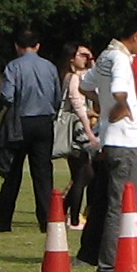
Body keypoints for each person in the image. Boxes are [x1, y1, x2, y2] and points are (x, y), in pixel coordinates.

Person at [79, 16, 137, 272]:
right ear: (136, 36)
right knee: (122, 205)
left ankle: (106, 259)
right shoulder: (121, 59)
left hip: (110, 140)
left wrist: (101, 104)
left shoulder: (104, 56)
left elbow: (83, 85)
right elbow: (120, 88)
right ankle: (110, 265)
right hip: (127, 140)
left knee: (112, 202)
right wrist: (120, 106)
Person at [0, 33, 62, 233]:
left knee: (12, 172)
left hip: (20, 122)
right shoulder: (50, 67)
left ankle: (5, 220)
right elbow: (57, 96)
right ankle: (46, 220)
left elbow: (7, 95)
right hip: (44, 122)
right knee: (42, 173)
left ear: (17, 46)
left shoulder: (14, 66)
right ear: (38, 45)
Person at [58, 42, 99, 212]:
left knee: (81, 174)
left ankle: (63, 209)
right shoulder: (72, 78)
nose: (86, 59)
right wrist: (89, 132)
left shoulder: (73, 76)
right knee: (83, 173)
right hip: (76, 129)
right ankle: (72, 215)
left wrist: (92, 63)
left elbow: (93, 81)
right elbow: (77, 105)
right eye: (81, 55)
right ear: (71, 59)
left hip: (78, 126)